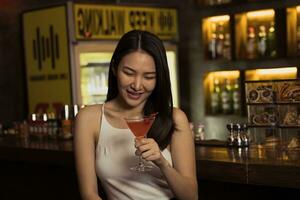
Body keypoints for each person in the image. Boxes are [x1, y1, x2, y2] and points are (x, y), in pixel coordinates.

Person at [74, 30, 198, 200]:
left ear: (158, 78)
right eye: (129, 73)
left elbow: (191, 196)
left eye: (148, 76)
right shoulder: (89, 119)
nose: (137, 85)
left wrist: (162, 163)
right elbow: (89, 194)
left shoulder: (175, 118)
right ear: (114, 68)